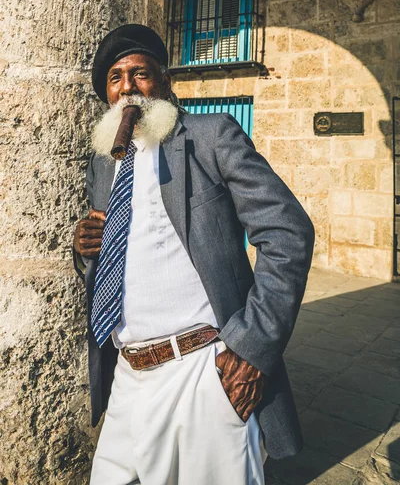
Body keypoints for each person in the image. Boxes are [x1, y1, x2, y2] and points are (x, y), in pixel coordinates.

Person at [73, 24, 315, 485]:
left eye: (139, 74)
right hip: (127, 376)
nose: (127, 87)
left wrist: (250, 350)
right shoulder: (104, 164)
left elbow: (288, 233)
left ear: (163, 82)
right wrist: (85, 249)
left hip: (203, 374)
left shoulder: (208, 137)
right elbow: (117, 257)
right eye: (115, 78)